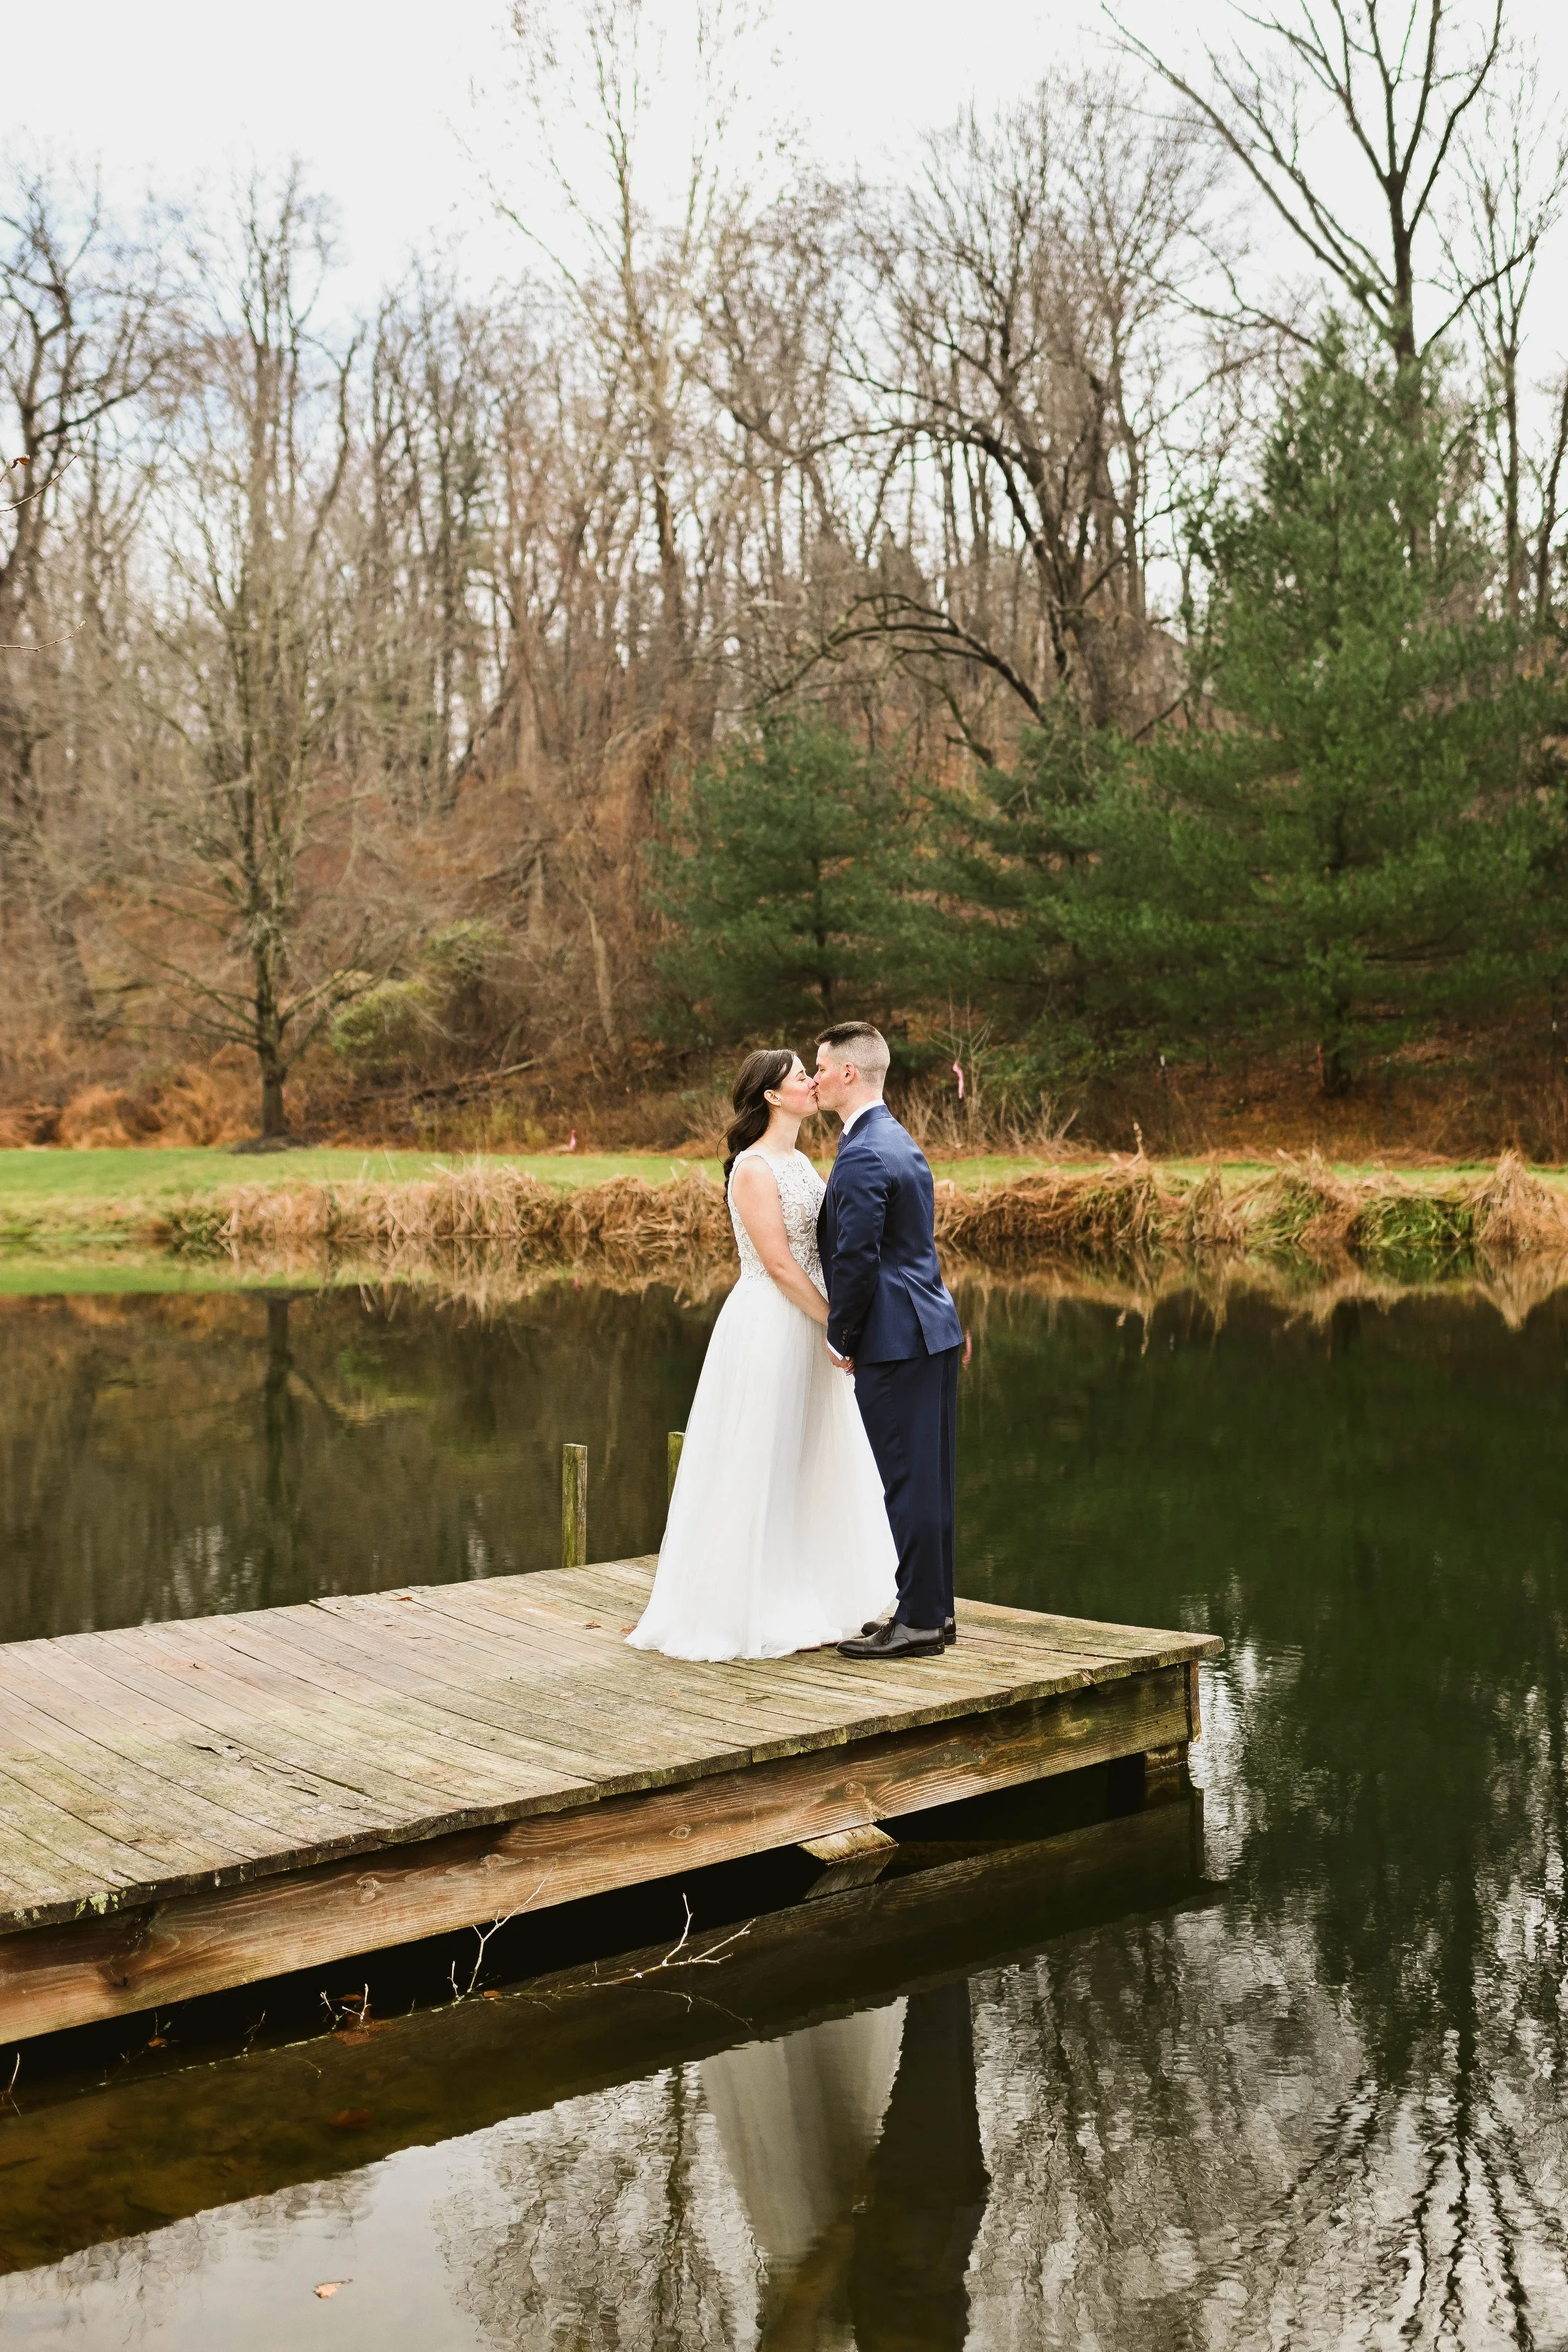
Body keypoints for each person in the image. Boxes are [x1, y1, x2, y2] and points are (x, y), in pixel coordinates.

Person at [627, 1047, 897, 1660]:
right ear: (772, 1096)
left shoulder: (801, 1161)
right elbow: (777, 1263)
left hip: (809, 1319)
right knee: (762, 1454)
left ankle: (810, 1590)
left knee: (809, 1456)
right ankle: (750, 1603)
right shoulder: (752, 1168)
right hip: (772, 1323)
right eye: (801, 1075)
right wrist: (839, 1326)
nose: (812, 1082)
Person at [814, 1022, 965, 1661]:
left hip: (894, 1340)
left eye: (820, 1067)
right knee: (929, 1481)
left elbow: (855, 1258)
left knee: (907, 1481)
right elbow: (915, 1250)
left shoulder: (864, 1153)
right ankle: (930, 1609)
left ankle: (922, 1622)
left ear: (849, 1073)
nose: (814, 1077)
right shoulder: (896, 1138)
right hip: (929, 1330)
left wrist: (840, 1334)